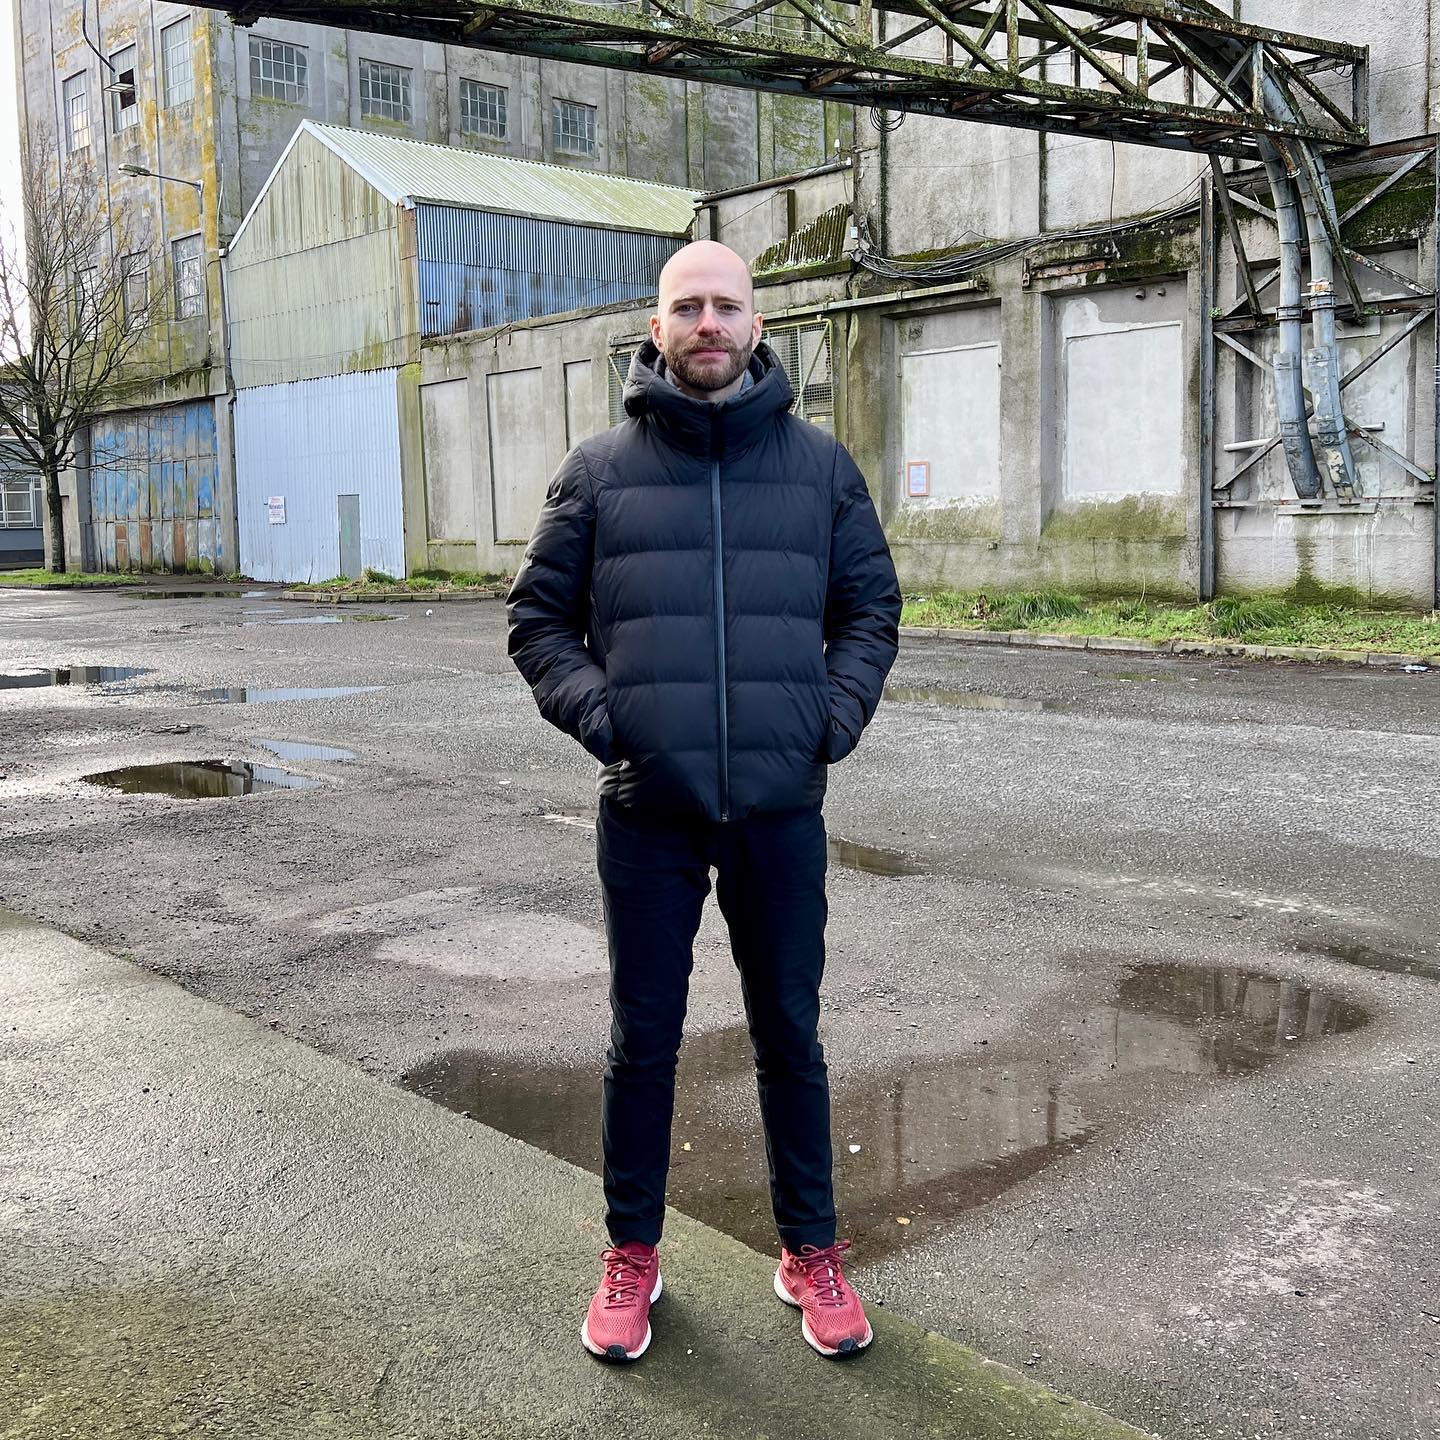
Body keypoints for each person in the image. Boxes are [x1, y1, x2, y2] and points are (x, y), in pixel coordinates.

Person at [507, 240, 900, 1363]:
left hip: (780, 808)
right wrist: (613, 723)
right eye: (688, 307)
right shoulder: (598, 471)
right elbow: (538, 622)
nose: (709, 323)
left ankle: (810, 1250)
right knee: (644, 1039)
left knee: (790, 1033)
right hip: (650, 810)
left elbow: (870, 611)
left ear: (758, 326)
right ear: (657, 328)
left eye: (727, 305)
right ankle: (632, 1252)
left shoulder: (821, 469)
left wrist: (827, 722)